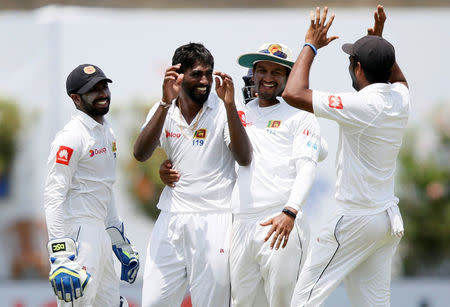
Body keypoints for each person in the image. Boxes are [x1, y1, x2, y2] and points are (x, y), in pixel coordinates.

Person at [282, 6, 410, 307]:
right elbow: (400, 80)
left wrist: (310, 45)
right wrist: (380, 46)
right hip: (384, 220)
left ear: (359, 69)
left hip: (354, 220)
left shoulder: (361, 105)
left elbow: (293, 93)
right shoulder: (400, 99)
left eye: (352, 61)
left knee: (302, 302)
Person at [134, 42, 252, 307]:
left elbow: (244, 157)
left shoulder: (223, 108)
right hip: (172, 217)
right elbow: (141, 153)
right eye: (197, 74)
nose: (205, 81)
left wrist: (231, 106)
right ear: (178, 75)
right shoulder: (163, 108)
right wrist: (165, 102)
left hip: (215, 219)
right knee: (153, 302)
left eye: (208, 74)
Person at [228, 43, 325, 307]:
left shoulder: (300, 115)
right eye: (261, 70)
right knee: (241, 303)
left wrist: (290, 212)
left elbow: (308, 166)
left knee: (283, 302)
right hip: (242, 224)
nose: (267, 77)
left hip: (279, 222)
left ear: (287, 78)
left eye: (276, 72)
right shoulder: (240, 114)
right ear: (253, 73)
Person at [43, 64, 139, 307]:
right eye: (92, 90)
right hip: (77, 235)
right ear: (76, 99)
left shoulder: (107, 132)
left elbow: (105, 188)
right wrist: (61, 254)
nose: (102, 94)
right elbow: (54, 195)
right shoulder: (71, 136)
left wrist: (118, 240)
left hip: (100, 235)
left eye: (103, 86)